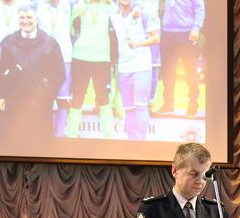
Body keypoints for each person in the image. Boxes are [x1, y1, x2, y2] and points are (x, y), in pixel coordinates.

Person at [0, 3, 65, 144]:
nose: (25, 21)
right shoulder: (7, 42)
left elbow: (59, 73)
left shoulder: (50, 43)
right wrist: (0, 96)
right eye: (22, 18)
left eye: (29, 17)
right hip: (14, 105)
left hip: (41, 104)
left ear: (36, 19)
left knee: (39, 145)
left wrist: (46, 93)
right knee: (15, 144)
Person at [65, 0, 116, 138]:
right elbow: (70, 29)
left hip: (102, 58)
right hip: (80, 57)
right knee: (78, 96)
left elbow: (122, 12)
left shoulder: (110, 7)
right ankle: (71, 136)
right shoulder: (78, 7)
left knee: (103, 97)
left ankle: (109, 137)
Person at [110, 0, 158, 139]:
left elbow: (156, 38)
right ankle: (131, 142)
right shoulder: (113, 14)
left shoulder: (142, 12)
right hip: (124, 68)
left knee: (141, 106)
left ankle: (140, 144)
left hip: (141, 67)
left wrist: (139, 44)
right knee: (128, 109)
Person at [156, 0, 203, 117]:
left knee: (190, 71)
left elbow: (200, 9)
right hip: (167, 33)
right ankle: (168, 103)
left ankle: (193, 102)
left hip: (187, 33)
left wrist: (196, 28)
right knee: (167, 71)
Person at [36, 0, 73, 137]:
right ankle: (44, 135)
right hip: (43, 59)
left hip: (65, 58)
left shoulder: (69, 3)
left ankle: (58, 136)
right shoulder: (38, 4)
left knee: (63, 100)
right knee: (43, 99)